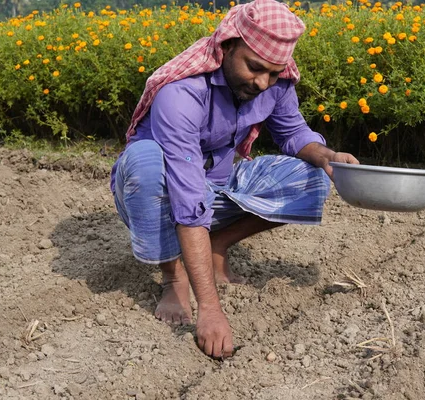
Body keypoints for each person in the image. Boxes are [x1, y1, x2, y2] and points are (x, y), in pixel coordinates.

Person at [110, 0, 358, 359]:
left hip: (218, 186)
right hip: (157, 190)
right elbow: (187, 199)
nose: (262, 82)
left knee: (311, 175)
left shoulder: (275, 82)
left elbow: (293, 132)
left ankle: (217, 245)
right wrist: (210, 310)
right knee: (147, 163)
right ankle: (173, 276)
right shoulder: (181, 92)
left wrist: (327, 156)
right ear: (227, 46)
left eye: (273, 73)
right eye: (255, 68)